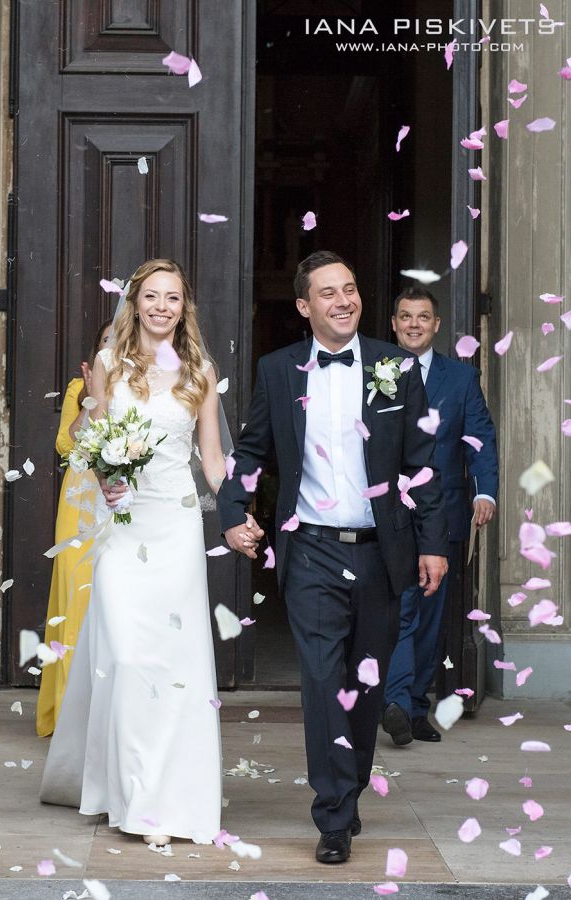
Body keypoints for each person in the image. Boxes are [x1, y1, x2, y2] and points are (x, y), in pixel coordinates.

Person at [217, 251, 449, 864]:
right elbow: (251, 450)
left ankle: (348, 791)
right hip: (312, 549)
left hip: (379, 552)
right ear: (304, 306)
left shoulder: (395, 367)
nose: (344, 300)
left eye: (350, 289)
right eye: (328, 293)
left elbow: (422, 461)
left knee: (364, 688)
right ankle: (335, 816)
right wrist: (231, 510)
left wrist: (432, 543)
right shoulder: (278, 370)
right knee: (322, 684)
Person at [40, 259, 228, 846]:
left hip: (175, 529)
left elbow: (214, 460)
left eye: (173, 297)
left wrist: (244, 513)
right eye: (152, 296)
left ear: (184, 307)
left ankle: (159, 802)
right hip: (122, 532)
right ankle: (125, 787)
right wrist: (104, 478)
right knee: (123, 660)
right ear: (135, 302)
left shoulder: (200, 372)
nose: (161, 306)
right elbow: (88, 443)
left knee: (174, 667)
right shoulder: (107, 368)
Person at [382, 286, 498, 746]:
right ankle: (394, 703)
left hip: (445, 513)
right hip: (388, 515)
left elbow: (480, 440)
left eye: (423, 317)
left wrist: (483, 492)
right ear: (393, 324)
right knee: (400, 612)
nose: (413, 324)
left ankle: (411, 708)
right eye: (405, 316)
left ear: (436, 325)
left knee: (428, 621)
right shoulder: (374, 372)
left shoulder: (461, 379)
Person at [36, 318, 113, 737]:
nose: (113, 346)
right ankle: (70, 719)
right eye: (105, 340)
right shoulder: (76, 388)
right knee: (76, 596)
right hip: (82, 501)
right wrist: (87, 399)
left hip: (125, 500)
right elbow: (66, 445)